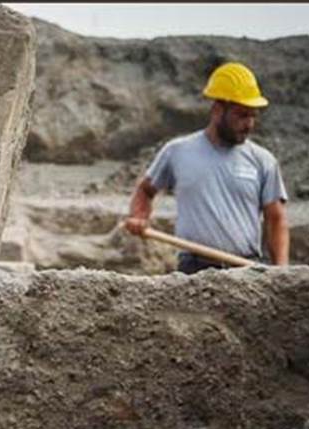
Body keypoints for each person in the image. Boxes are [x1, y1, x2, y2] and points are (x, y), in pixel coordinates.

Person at [123, 62, 290, 274]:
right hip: (193, 270)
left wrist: (282, 272)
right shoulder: (177, 152)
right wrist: (139, 217)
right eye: (241, 115)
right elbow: (145, 190)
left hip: (245, 270)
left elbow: (276, 219)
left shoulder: (263, 160)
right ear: (218, 110)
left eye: (252, 116)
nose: (249, 124)